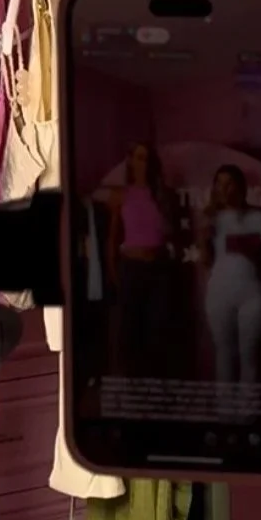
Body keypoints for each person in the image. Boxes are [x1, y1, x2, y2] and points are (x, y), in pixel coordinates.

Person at [106, 142, 176, 378]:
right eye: (138, 157)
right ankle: (131, 384)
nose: (142, 163)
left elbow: (171, 232)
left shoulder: (163, 195)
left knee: (158, 332)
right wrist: (113, 271)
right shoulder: (121, 195)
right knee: (129, 332)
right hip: (131, 268)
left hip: (158, 269)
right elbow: (113, 238)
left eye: (146, 158)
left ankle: (153, 384)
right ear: (131, 161)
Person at [200, 164, 261, 389]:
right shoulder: (211, 219)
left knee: (249, 355)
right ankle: (226, 409)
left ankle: (248, 409)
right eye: (219, 184)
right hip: (219, 293)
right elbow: (205, 259)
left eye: (229, 184)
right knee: (224, 354)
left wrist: (237, 240)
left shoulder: (257, 217)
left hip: (250, 294)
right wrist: (204, 234)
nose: (224, 189)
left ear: (240, 187)